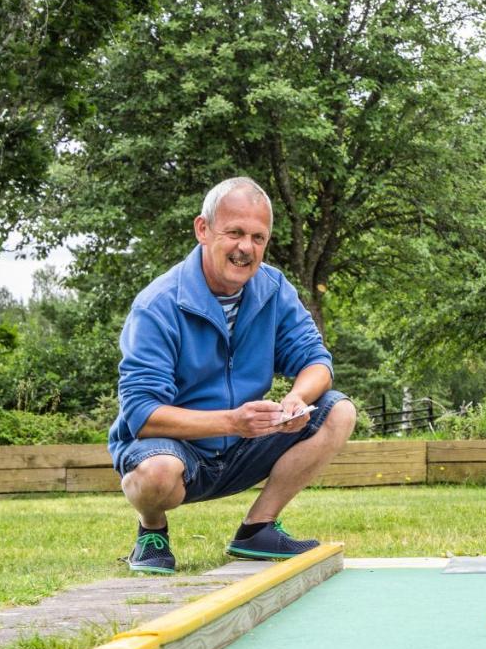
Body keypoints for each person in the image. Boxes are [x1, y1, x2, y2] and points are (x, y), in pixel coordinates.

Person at [107, 177, 356, 574]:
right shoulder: (158, 305)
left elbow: (315, 360)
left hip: (243, 446)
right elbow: (142, 414)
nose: (246, 248)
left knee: (338, 410)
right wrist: (232, 422)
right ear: (203, 230)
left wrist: (297, 399)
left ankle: (257, 529)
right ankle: (151, 532)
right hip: (174, 450)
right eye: (235, 233)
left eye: (258, 237)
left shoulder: (274, 289)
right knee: (157, 473)